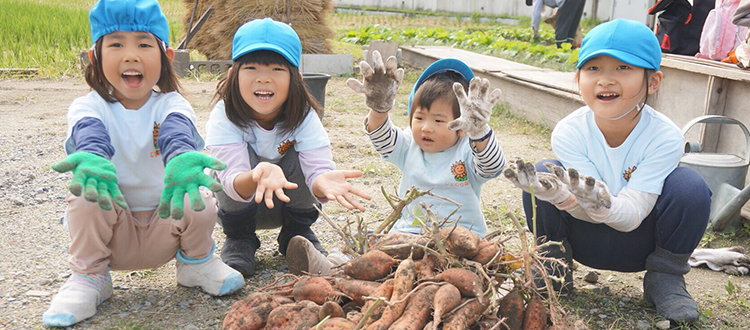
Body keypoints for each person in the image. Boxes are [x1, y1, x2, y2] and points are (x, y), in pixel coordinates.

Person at [43, 0, 244, 327]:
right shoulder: (88, 107)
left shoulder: (171, 103)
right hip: (114, 230)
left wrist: (181, 160)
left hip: (166, 222)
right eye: (117, 43)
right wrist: (94, 160)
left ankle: (196, 264)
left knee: (195, 192)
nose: (131, 54)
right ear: (96, 56)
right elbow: (90, 137)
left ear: (165, 57)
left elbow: (176, 134)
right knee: (87, 193)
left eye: (144, 44)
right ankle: (89, 278)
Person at [504, 19, 711, 324]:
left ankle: (665, 279)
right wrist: (565, 198)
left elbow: (631, 216)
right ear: (578, 79)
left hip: (639, 243)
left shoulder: (665, 137)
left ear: (652, 82)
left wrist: (600, 202)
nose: (605, 80)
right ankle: (554, 267)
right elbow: (583, 207)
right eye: (593, 69)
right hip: (584, 237)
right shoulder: (569, 132)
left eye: (623, 68)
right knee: (543, 173)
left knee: (690, 187)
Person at [205, 18, 371, 277]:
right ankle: (240, 239)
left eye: (277, 69)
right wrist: (258, 173)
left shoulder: (304, 116)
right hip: (242, 203)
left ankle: (296, 234)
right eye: (251, 67)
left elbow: (317, 171)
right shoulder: (223, 116)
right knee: (218, 169)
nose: (264, 79)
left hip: (288, 203)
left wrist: (321, 181)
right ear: (232, 76)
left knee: (302, 158)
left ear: (297, 79)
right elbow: (231, 182)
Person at [347, 52, 507, 238]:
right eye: (420, 118)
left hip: (461, 237)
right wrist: (379, 109)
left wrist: (479, 132)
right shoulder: (409, 145)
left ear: (463, 127)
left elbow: (493, 167)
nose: (426, 128)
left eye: (439, 121)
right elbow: (382, 139)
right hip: (409, 234)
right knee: (365, 240)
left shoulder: (467, 150)